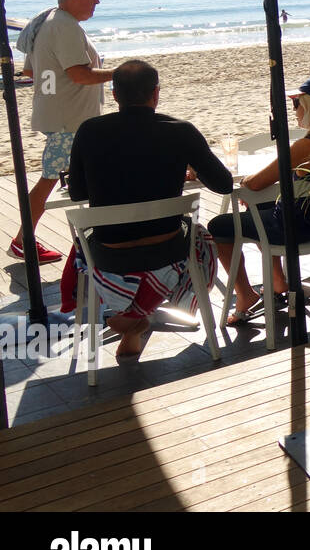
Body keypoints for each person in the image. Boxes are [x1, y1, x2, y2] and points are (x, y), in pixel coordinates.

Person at [65, 60, 232, 357]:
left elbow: (77, 191)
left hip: (109, 254)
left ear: (114, 95)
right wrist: (191, 166)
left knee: (80, 246)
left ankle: (133, 319)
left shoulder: (89, 131)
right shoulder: (181, 131)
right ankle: (138, 316)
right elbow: (223, 183)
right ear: (156, 93)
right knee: (202, 238)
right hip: (169, 250)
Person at [212, 76, 310, 325]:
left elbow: (258, 183)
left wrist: (246, 180)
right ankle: (278, 282)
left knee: (218, 226)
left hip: (297, 228)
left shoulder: (306, 146)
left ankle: (245, 295)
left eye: (297, 104)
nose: (294, 110)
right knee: (263, 206)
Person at [11, 0, 113, 264]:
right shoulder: (64, 26)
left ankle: (88, 236)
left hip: (60, 116)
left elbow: (34, 74)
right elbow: (79, 74)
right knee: (50, 179)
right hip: (71, 122)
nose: (97, 1)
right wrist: (123, 74)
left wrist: (52, 97)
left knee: (72, 178)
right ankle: (24, 241)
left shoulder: (47, 22)